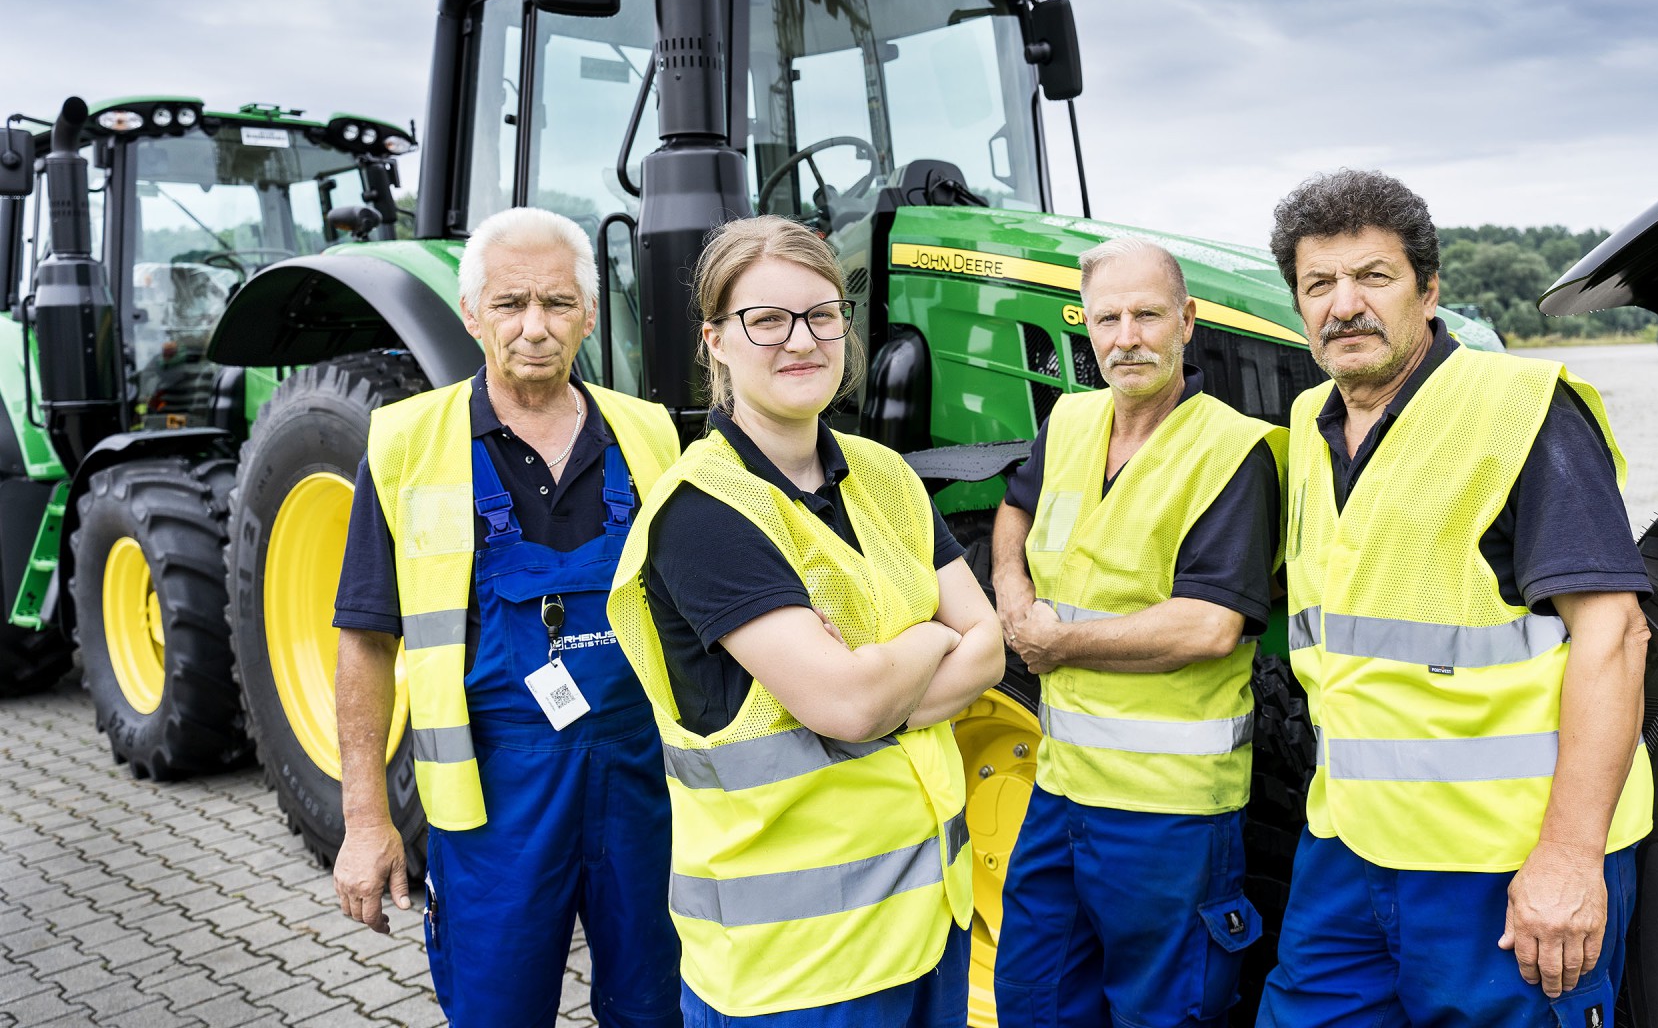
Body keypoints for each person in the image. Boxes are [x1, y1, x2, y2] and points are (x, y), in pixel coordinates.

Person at [1255, 170, 1654, 1025]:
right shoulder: (1308, 424)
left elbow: (1614, 634)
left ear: (1429, 289)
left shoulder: (1519, 411)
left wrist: (1570, 858)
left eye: (1373, 277)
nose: (1344, 305)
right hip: (1350, 847)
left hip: (1505, 865)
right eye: (1319, 284)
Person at [606, 214, 1006, 1027]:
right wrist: (933, 638)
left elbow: (992, 652)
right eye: (767, 320)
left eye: (824, 315)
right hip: (797, 975)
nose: (803, 340)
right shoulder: (703, 514)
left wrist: (879, 674)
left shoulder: (885, 475)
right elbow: (847, 706)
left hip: (930, 929)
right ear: (716, 340)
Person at [330, 207, 682, 1028]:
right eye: (511, 304)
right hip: (492, 804)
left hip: (645, 790)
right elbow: (366, 643)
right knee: (498, 1013)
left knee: (659, 1009)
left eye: (558, 304)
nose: (535, 328)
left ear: (589, 316)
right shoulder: (406, 444)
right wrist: (365, 818)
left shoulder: (651, 435)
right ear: (471, 315)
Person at [988, 237, 1286, 1027]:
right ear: (1084, 326)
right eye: (1108, 317)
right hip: (1059, 795)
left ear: (1186, 322)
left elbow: (1211, 625)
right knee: (1033, 999)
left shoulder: (1230, 451)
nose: (1128, 336)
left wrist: (1055, 646)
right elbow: (1014, 510)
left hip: (1170, 818)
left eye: (1148, 315)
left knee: (1164, 1012)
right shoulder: (1073, 421)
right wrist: (1012, 597)